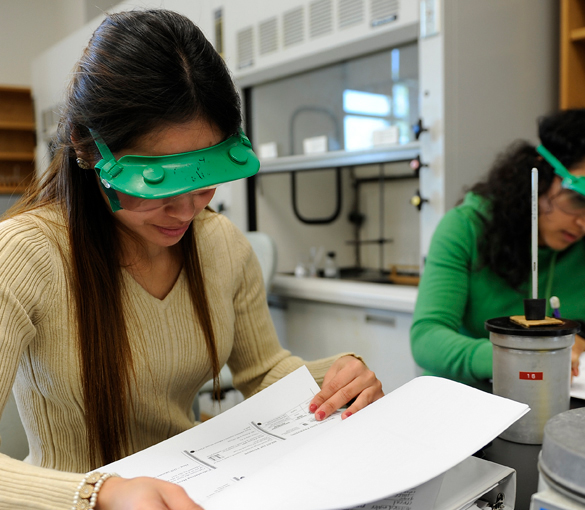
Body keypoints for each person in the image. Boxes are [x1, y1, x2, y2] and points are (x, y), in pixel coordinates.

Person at [0, 10, 383, 510]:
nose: (185, 212)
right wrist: (99, 495)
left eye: (202, 181)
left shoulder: (220, 244)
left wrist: (336, 380)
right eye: (157, 186)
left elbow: (264, 369)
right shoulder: (24, 256)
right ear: (86, 148)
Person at [410, 108, 585, 392]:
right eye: (580, 199)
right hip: (462, 398)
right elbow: (427, 338)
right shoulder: (466, 226)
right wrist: (518, 356)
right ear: (540, 176)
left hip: (547, 394)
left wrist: (584, 333)